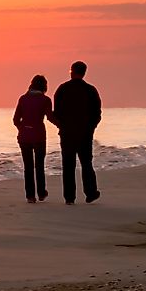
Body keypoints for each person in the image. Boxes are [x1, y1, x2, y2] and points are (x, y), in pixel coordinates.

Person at [52, 60, 102, 205]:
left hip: (67, 132)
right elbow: (97, 113)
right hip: (85, 133)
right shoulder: (91, 90)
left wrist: (61, 126)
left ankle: (69, 197)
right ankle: (91, 193)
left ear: (71, 71)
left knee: (68, 165)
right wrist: (91, 127)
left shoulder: (62, 89)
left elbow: (57, 112)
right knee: (86, 163)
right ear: (84, 72)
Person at [12, 74, 55, 203]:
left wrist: (23, 128)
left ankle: (30, 196)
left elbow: (15, 119)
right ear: (44, 86)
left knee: (28, 167)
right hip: (39, 136)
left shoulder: (23, 99)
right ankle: (41, 193)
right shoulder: (45, 100)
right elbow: (50, 117)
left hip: (24, 136)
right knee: (39, 165)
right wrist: (62, 125)